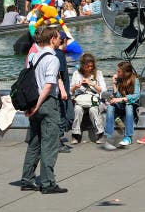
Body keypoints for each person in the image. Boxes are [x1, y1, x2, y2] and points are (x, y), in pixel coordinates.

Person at [20, 25, 67, 194]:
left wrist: (32, 106)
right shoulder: (53, 59)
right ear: (52, 39)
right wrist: (39, 104)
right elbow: (48, 86)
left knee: (34, 142)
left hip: (34, 103)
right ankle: (47, 183)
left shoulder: (35, 56)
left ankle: (27, 179)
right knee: (50, 143)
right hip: (46, 103)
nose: (61, 39)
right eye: (58, 36)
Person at [69, 53, 106, 145]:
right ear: (82, 65)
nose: (90, 68)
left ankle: (100, 133)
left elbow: (103, 90)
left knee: (93, 109)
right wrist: (75, 87)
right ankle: (75, 134)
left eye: (91, 66)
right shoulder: (76, 74)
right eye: (88, 66)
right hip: (81, 99)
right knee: (77, 109)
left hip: (95, 99)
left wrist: (92, 84)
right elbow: (71, 91)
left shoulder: (98, 73)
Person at [102, 61, 141, 149]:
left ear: (125, 73)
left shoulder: (135, 79)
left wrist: (122, 99)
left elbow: (137, 95)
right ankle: (109, 136)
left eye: (119, 71)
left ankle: (128, 137)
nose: (117, 73)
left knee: (128, 106)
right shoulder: (119, 80)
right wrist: (114, 83)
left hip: (131, 106)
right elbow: (116, 95)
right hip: (120, 106)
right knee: (110, 107)